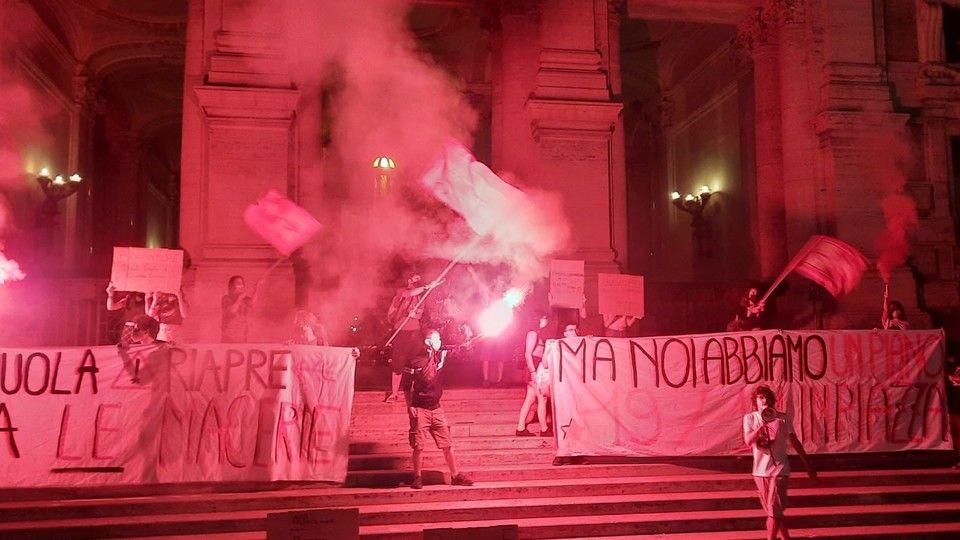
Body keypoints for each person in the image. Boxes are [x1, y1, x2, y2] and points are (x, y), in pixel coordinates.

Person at [402, 328, 474, 489]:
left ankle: (455, 476)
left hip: (437, 409)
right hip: (420, 409)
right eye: (437, 339)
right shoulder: (414, 361)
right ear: (428, 342)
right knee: (419, 446)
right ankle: (417, 477)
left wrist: (468, 341)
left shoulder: (441, 355)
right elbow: (406, 386)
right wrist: (410, 406)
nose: (440, 341)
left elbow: (458, 350)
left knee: (447, 444)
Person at [743, 385, 816, 540]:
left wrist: (808, 464)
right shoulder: (750, 418)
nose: (765, 400)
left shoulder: (782, 418)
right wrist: (761, 427)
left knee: (773, 511)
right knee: (773, 513)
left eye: (768, 397)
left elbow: (794, 441)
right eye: (761, 397)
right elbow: (748, 441)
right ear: (755, 401)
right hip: (760, 471)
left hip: (779, 469)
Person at [384, 270, 443, 403]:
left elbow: (418, 315)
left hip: (414, 333)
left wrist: (413, 314)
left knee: (421, 361)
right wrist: (428, 286)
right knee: (397, 364)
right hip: (401, 332)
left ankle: (423, 391)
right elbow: (407, 294)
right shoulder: (401, 291)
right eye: (414, 278)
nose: (416, 280)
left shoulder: (419, 297)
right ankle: (394, 394)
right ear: (408, 279)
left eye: (418, 278)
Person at [515, 311, 553, 437]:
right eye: (544, 318)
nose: (546, 320)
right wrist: (533, 371)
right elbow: (528, 354)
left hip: (537, 366)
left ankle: (520, 427)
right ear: (539, 319)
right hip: (534, 367)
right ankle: (544, 429)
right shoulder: (532, 333)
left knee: (530, 399)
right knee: (542, 398)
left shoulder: (538, 333)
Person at [221, 275, 262, 343]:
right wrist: (240, 298)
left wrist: (257, 287)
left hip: (242, 336)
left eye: (242, 283)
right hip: (229, 337)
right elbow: (231, 311)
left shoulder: (244, 298)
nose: (241, 285)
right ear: (232, 286)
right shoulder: (226, 298)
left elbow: (252, 303)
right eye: (238, 283)